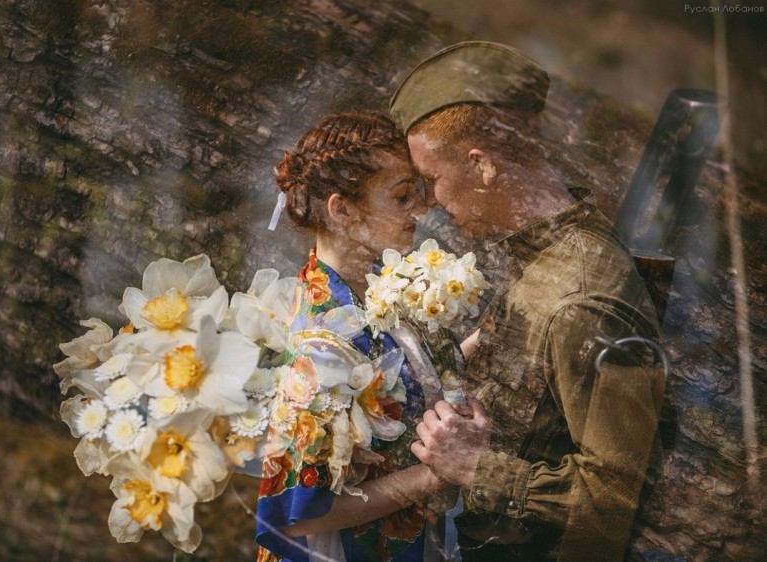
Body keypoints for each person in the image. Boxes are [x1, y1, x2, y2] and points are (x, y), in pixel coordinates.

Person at [388, 42, 667, 561]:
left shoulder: (582, 298)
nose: (430, 205)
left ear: (481, 165)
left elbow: (615, 495)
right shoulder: (543, 250)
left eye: (431, 181)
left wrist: (475, 467)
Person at [255, 112, 460, 562]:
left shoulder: (372, 287)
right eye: (402, 195)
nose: (421, 207)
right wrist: (437, 474)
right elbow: (296, 516)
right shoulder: (321, 340)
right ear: (342, 210)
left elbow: (407, 376)